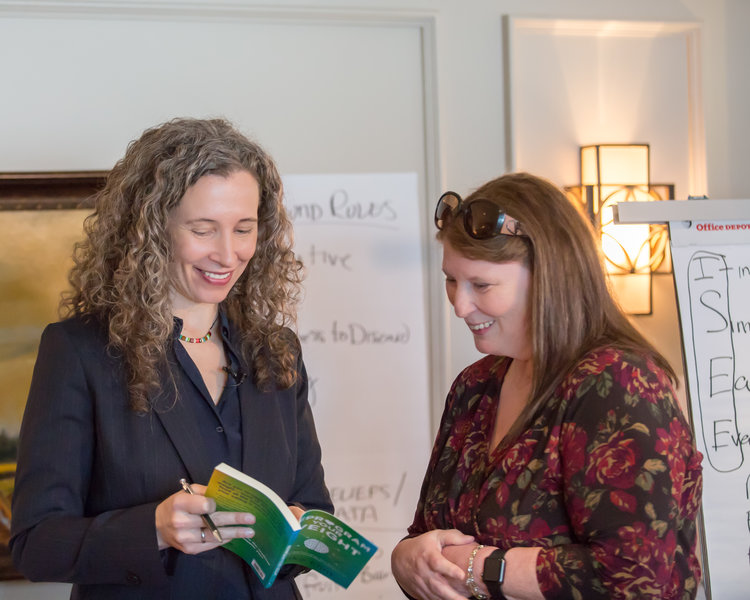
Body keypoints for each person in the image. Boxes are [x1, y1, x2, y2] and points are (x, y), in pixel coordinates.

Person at [10, 117, 333, 599]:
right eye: (203, 230)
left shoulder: (277, 350)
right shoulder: (79, 352)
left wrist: (298, 531)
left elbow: (312, 506)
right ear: (151, 229)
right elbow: (36, 544)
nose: (228, 254)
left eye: (244, 229)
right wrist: (155, 530)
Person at [391, 173, 703, 600]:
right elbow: (427, 535)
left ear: (548, 278)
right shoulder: (475, 386)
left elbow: (633, 575)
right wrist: (405, 558)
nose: (460, 306)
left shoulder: (619, 384)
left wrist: (481, 566)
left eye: (481, 285)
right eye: (451, 280)